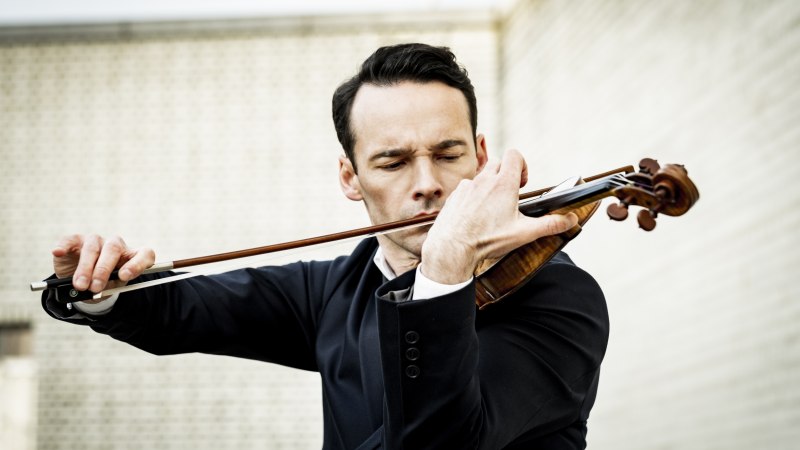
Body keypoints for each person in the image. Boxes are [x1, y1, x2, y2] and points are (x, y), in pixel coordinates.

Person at [42, 43, 609, 449]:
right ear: (350, 177)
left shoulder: (560, 296)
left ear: (481, 158)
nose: (427, 182)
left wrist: (444, 273)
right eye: (392, 160)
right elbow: (176, 310)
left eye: (448, 153)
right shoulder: (335, 290)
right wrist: (96, 286)